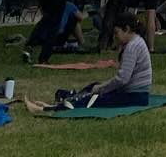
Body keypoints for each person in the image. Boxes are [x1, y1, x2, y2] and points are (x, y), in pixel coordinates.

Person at [24, 12, 152, 115]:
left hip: (134, 96)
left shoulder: (132, 47)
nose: (115, 37)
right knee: (94, 87)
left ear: (127, 29)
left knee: (93, 98)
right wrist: (101, 87)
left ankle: (47, 109)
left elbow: (122, 79)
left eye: (117, 33)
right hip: (135, 94)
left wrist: (103, 88)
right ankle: (60, 103)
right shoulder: (136, 42)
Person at [25, 0, 84, 66]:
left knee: (47, 20)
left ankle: (31, 44)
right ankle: (43, 58)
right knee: (60, 23)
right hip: (57, 33)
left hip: (48, 0)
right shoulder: (69, 5)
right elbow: (80, 17)